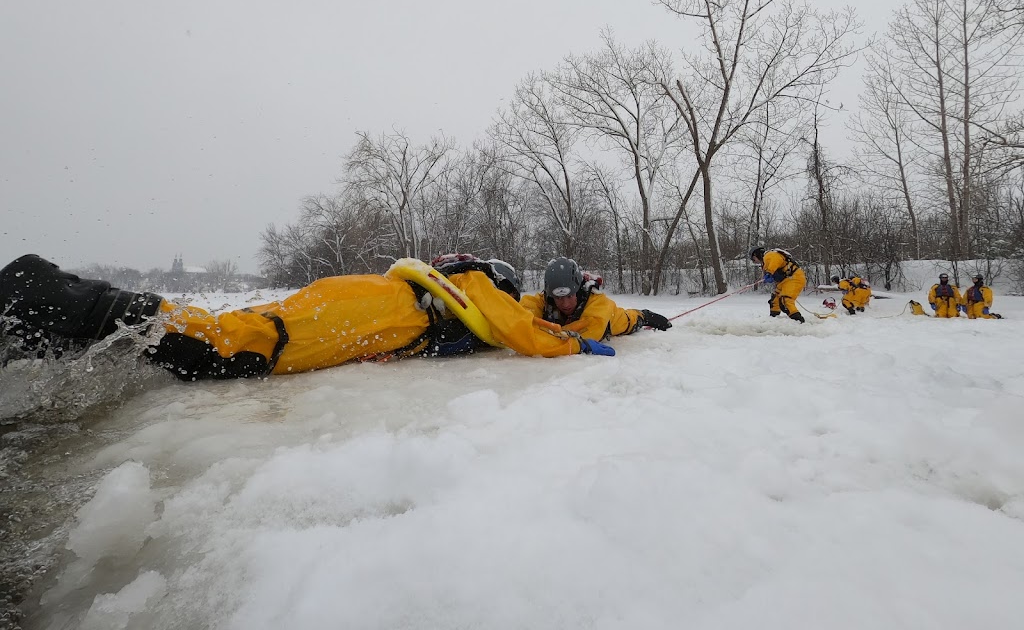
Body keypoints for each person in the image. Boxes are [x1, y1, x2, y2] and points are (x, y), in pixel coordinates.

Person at [0, 253, 615, 381]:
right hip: (366, 310)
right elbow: (520, 329)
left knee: (251, 325)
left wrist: (626, 320)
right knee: (243, 344)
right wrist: (578, 349)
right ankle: (45, 298)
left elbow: (533, 315)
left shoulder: (442, 290)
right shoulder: (475, 286)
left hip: (360, 301)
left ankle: (49, 319)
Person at [518, 257, 672, 340]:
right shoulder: (543, 299)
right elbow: (522, 315)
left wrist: (543, 333)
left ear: (577, 290)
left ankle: (644, 315)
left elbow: (587, 333)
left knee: (629, 318)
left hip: (615, 318)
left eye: (570, 296)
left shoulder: (598, 303)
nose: (564, 303)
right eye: (559, 298)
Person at [750, 246, 806, 323]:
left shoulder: (769, 255)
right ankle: (773, 319)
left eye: (753, 259)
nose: (754, 262)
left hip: (794, 278)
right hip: (785, 281)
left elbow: (776, 260)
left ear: (756, 255)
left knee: (785, 300)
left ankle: (798, 321)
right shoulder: (765, 262)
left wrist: (769, 272)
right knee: (775, 299)